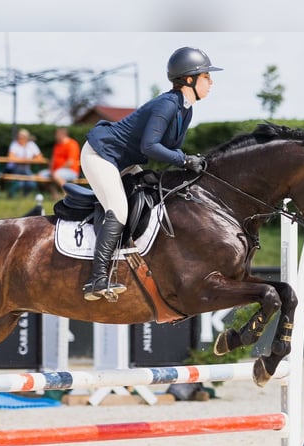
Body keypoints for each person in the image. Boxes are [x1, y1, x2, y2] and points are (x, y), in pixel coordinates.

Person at [79, 46, 222, 301]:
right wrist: (184, 160)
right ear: (189, 79)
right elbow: (150, 146)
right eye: (206, 77)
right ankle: (97, 278)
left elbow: (172, 149)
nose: (211, 82)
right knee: (119, 209)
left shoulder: (185, 108)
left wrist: (190, 163)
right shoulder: (167, 104)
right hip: (101, 155)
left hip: (125, 161)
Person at [37, 126, 80, 200]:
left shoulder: (72, 144)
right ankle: (55, 195)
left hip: (71, 171)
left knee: (56, 175)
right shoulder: (57, 145)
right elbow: (53, 160)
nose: (55, 136)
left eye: (56, 134)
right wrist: (51, 170)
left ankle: (67, 196)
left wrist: (56, 171)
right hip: (56, 171)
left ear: (62, 135)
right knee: (40, 176)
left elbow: (70, 162)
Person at [5, 128, 44, 197]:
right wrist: (24, 160)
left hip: (26, 168)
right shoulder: (14, 144)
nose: (20, 139)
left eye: (22, 137)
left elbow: (40, 158)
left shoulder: (31, 144)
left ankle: (24, 196)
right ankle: (11, 196)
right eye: (19, 137)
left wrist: (28, 160)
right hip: (15, 168)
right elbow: (11, 157)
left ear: (26, 138)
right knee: (19, 183)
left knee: (31, 184)